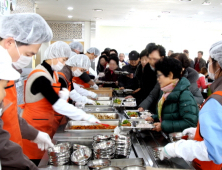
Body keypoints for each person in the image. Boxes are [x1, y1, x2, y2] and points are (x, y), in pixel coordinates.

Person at [21, 41, 100, 165]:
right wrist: (84, 116)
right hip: (34, 128)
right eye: (63, 60)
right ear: (54, 55)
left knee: (44, 162)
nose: (64, 64)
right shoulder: (40, 75)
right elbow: (56, 102)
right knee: (33, 163)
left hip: (47, 124)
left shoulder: (53, 74)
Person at [0, 13, 54, 167]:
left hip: (12, 151)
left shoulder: (7, 69)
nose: (28, 59)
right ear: (10, 42)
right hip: (7, 155)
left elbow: (9, 114)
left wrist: (35, 134)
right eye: (28, 54)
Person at [160, 40, 222, 170]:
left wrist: (177, 148)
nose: (209, 65)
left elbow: (213, 151)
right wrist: (199, 133)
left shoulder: (216, 100)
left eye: (210, 61)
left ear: (219, 65)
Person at [0, 48, 41, 169]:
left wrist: (35, 134)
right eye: (3, 87)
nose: (4, 94)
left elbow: (12, 115)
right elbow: (3, 146)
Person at [145, 58, 198, 133]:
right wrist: (154, 118)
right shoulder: (166, 92)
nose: (158, 79)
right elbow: (170, 114)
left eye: (159, 75)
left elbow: (190, 122)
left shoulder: (184, 95)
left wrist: (163, 126)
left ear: (170, 75)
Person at [138, 53, 204, 112]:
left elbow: (199, 98)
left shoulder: (189, 81)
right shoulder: (164, 79)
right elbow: (152, 95)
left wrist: (180, 101)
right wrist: (143, 106)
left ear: (183, 68)